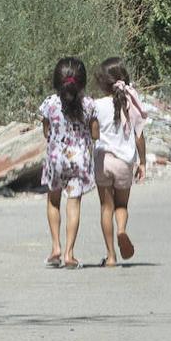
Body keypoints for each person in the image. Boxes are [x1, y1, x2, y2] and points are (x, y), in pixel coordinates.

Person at [39, 57, 99, 270]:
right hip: (79, 160)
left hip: (56, 159)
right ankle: (69, 254)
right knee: (73, 204)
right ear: (82, 83)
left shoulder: (49, 104)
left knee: (53, 201)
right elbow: (94, 134)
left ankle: (55, 247)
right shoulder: (89, 105)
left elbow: (46, 131)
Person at [92, 57, 147, 268]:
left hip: (103, 160)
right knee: (121, 205)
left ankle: (111, 256)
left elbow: (94, 134)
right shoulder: (131, 103)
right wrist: (142, 162)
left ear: (102, 83)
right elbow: (139, 135)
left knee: (106, 206)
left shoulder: (97, 105)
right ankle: (122, 230)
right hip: (124, 162)